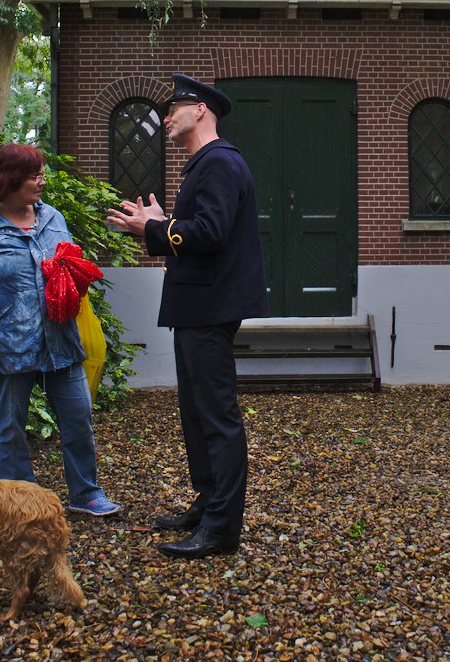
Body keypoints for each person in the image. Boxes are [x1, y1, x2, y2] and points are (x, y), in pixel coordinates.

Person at [106, 74, 267, 559]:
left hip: (209, 307)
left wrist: (154, 229)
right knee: (197, 413)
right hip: (197, 305)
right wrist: (162, 222)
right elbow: (197, 231)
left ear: (200, 110)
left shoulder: (219, 162)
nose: (166, 116)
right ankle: (209, 502)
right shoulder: (204, 166)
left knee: (216, 415)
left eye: (174, 107)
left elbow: (211, 233)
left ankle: (222, 527)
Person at [0, 143, 121, 518]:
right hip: (6, 345)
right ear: (10, 180)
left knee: (78, 418)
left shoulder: (52, 217)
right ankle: (20, 502)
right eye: (35, 176)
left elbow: (70, 261)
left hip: (60, 340)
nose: (42, 182)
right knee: (9, 429)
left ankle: (86, 494)